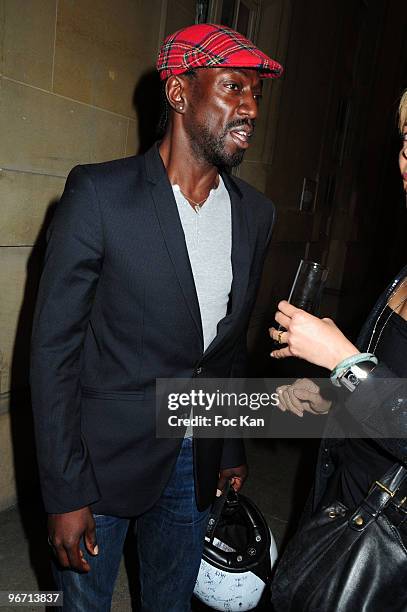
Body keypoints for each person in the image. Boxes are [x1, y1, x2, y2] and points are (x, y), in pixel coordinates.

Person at [30, 23, 282, 612]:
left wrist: (232, 446)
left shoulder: (256, 216)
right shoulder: (98, 195)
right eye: (233, 88)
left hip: (196, 461)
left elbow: (226, 345)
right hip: (103, 464)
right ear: (178, 93)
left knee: (170, 601)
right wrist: (64, 492)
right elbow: (53, 351)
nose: (249, 108)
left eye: (255, 96)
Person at [269, 89, 407, 607]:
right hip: (346, 498)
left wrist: (345, 362)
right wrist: (328, 375)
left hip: (390, 541)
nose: (406, 163)